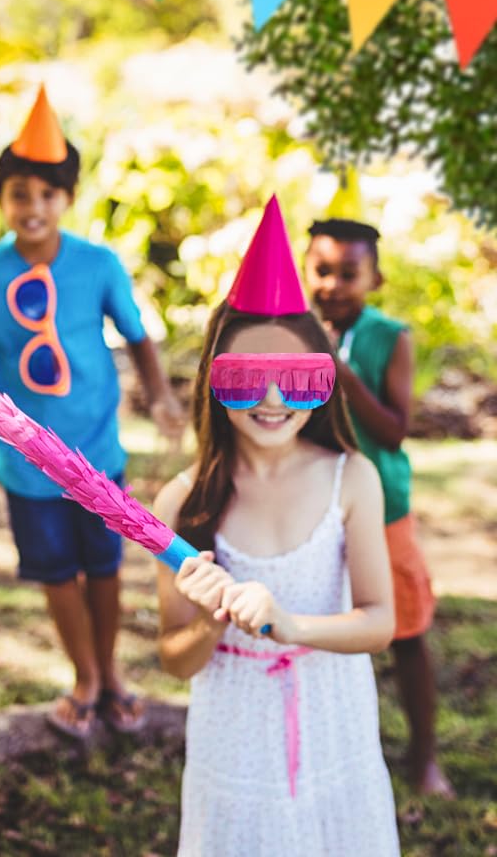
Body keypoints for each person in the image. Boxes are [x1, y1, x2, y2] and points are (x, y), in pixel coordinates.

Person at [154, 197, 400, 855]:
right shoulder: (182, 504)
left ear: (324, 380)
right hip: (231, 746)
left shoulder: (352, 480)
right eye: (244, 380)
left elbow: (380, 620)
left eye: (295, 377)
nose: (271, 400)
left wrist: (291, 625)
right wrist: (209, 617)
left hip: (333, 728)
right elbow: (174, 658)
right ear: (212, 379)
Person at [0, 86, 184, 739]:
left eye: (48, 194)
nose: (34, 207)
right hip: (27, 468)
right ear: (3, 200)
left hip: (99, 454)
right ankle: (83, 675)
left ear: (67, 199)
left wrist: (161, 395)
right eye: (20, 194)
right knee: (56, 575)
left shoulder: (98, 265)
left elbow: (137, 335)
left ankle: (110, 675)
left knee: (104, 568)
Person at [304, 215, 454, 797]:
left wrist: (342, 376)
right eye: (322, 270)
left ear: (376, 278)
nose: (333, 285)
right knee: (325, 626)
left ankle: (424, 759)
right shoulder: (289, 331)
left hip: (382, 508)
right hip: (313, 506)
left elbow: (394, 430)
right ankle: (331, 751)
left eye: (349, 273)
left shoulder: (390, 336)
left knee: (406, 630)